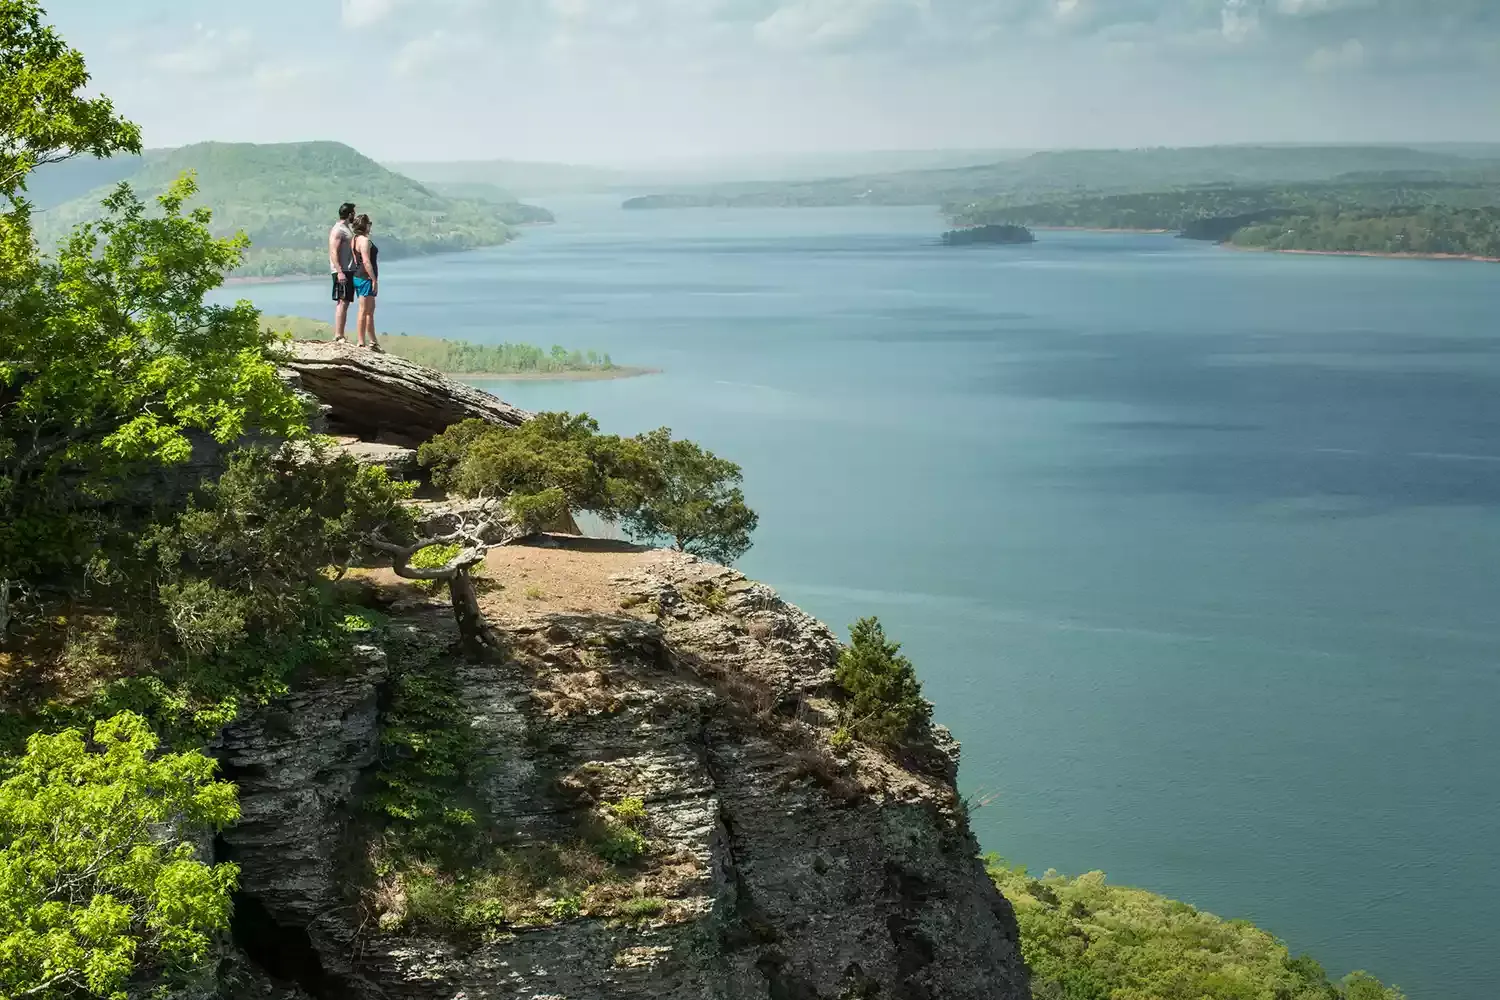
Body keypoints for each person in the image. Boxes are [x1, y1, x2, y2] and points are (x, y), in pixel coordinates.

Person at [351, 214, 382, 352]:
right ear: (365, 225)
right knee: (364, 310)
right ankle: (361, 341)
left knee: (370, 310)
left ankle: (373, 340)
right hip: (365, 278)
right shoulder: (364, 241)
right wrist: (373, 279)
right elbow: (366, 261)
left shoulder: (355, 239)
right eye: (369, 223)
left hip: (359, 276)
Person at [328, 202, 357, 343]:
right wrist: (339, 271)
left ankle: (340, 334)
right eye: (354, 213)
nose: (355, 216)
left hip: (348, 270)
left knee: (345, 302)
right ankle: (338, 335)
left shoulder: (345, 229)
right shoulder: (338, 230)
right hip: (342, 270)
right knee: (342, 301)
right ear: (350, 214)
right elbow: (333, 251)